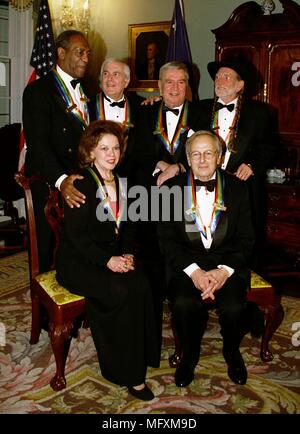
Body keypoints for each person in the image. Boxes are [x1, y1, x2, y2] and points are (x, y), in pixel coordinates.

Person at [56, 120, 159, 401]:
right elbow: (77, 238)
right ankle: (126, 374)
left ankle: (143, 356)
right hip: (78, 262)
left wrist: (126, 254)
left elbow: (130, 227)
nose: (111, 154)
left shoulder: (123, 182)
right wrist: (108, 261)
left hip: (110, 257)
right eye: (104, 148)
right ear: (90, 152)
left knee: (142, 282)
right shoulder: (79, 183)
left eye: (115, 148)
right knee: (122, 291)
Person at [157, 130, 255, 388]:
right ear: (188, 159)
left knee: (234, 308)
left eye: (208, 153)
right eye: (196, 154)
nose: (202, 160)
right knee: (182, 303)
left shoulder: (238, 188)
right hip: (187, 265)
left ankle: (231, 351)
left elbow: (246, 239)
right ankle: (189, 355)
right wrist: (195, 272)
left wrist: (224, 271)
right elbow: (166, 239)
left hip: (227, 264)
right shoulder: (170, 189)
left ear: (219, 157)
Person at [133, 61, 205, 356]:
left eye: (181, 82)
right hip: (150, 198)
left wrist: (178, 165)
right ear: (159, 87)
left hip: (189, 200)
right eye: (169, 83)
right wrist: (156, 163)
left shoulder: (201, 114)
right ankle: (150, 340)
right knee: (150, 261)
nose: (175, 88)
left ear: (187, 85)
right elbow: (133, 153)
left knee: (182, 262)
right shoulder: (145, 111)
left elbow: (212, 153)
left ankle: (186, 335)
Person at [197, 57, 275, 271]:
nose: (219, 81)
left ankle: (238, 282)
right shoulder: (200, 109)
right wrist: (155, 100)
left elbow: (268, 147)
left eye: (227, 76)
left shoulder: (259, 113)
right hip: (205, 186)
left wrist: (251, 165)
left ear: (240, 85)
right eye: (217, 76)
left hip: (243, 187)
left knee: (243, 237)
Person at [23, 30, 91, 271]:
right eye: (79, 52)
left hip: (81, 177)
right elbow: (38, 145)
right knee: (45, 248)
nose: (85, 58)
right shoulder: (38, 91)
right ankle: (43, 305)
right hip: (48, 178)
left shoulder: (88, 90)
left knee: (83, 246)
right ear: (61, 53)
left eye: (87, 53)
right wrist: (62, 182)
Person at [91, 58, 144, 178]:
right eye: (105, 74)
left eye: (116, 74)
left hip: (132, 178)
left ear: (126, 81)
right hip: (95, 176)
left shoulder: (141, 106)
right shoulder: (87, 105)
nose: (109, 79)